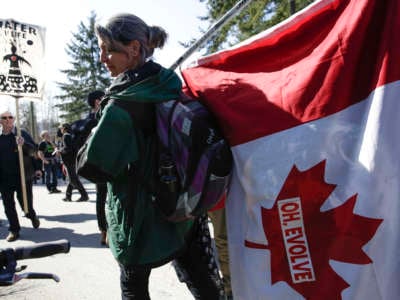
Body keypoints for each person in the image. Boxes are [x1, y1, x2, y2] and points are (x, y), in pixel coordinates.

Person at [80, 13, 224, 299]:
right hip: (183, 210)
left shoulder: (121, 105)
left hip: (139, 221)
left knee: (133, 287)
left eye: (108, 50)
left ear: (134, 49)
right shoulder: (170, 84)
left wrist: (91, 131)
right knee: (203, 283)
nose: (102, 58)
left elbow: (91, 167)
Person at [0, 111, 41, 242]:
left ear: (14, 119)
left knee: (25, 204)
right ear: (0, 121)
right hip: (4, 177)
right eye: (4, 118)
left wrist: (24, 145)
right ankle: (14, 230)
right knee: (8, 204)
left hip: (22, 176)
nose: (7, 120)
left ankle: (32, 215)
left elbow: (34, 151)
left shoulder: (21, 133)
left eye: (10, 117)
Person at [86, 90, 108, 245]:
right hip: (100, 167)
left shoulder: (109, 114)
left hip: (114, 165)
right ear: (97, 102)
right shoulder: (92, 122)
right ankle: (104, 231)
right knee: (101, 199)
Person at [57, 123, 88, 202]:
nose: (60, 130)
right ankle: (68, 196)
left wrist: (59, 151)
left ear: (64, 128)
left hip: (69, 161)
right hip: (72, 160)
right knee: (72, 178)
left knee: (73, 179)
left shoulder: (66, 136)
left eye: (61, 128)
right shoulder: (70, 135)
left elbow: (68, 148)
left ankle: (84, 195)